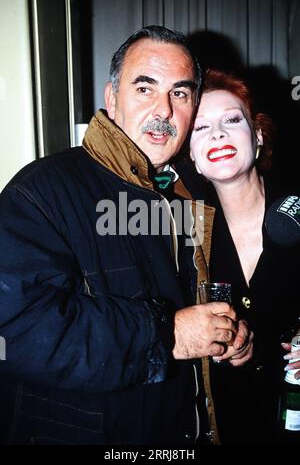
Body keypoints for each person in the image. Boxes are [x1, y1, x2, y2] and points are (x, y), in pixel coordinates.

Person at [0, 27, 251, 446]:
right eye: (145, 88)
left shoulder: (190, 195)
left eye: (181, 93)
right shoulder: (44, 189)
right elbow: (12, 329)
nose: (164, 111)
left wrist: (227, 336)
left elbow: (191, 314)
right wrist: (167, 334)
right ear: (112, 99)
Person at [189, 68, 300, 445]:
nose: (217, 133)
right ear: (192, 155)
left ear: (257, 136)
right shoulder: (180, 236)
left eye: (231, 120)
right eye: (200, 128)